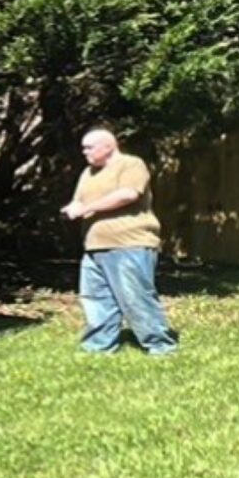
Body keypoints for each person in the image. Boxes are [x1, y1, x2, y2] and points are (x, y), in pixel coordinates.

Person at [62, 127, 177, 354]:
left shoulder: (131, 165)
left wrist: (87, 208)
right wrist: (73, 208)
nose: (84, 152)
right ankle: (99, 346)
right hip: (94, 246)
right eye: (83, 148)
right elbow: (78, 201)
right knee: (96, 299)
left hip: (129, 244)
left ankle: (160, 347)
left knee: (136, 297)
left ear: (108, 146)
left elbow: (128, 195)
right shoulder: (88, 173)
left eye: (89, 147)